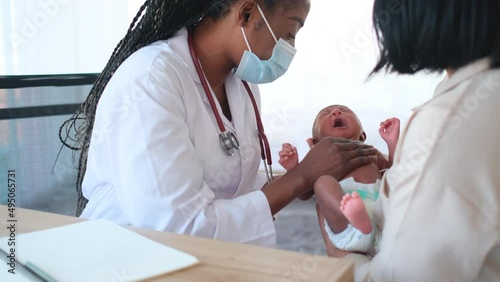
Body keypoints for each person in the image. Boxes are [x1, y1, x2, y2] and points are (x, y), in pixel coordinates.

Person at [58, 0, 378, 247]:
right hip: (130, 255)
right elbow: (176, 229)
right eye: (290, 32)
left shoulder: (242, 84)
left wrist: (310, 178)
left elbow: (234, 184)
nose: (290, 48)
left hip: (212, 256)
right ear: (247, 14)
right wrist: (302, 175)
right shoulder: (150, 80)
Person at [317, 0, 500, 281]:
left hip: (364, 242)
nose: (336, 112)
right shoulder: (469, 101)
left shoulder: (448, 120)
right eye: (327, 114)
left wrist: (342, 259)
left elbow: (402, 275)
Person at [279, 104, 399, 257]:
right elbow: (304, 194)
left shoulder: (370, 152)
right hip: (348, 231)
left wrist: (392, 143)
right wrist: (294, 170)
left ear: (362, 136)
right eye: (326, 114)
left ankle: (361, 218)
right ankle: (354, 216)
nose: (336, 112)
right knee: (322, 183)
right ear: (316, 143)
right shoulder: (319, 161)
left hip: (382, 218)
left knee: (395, 187)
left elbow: (394, 173)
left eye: (345, 111)